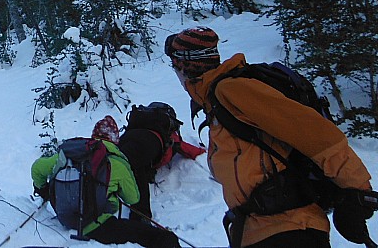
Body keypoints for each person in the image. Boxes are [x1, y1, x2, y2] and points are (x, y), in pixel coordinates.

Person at [165, 26, 374, 248]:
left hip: (289, 227)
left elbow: (317, 134)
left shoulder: (233, 90)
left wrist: (357, 194)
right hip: (259, 229)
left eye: (175, 65)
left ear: (186, 66)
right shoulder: (213, 101)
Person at [31, 116, 180, 248]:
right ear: (115, 139)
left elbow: (37, 169)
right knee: (165, 239)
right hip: (99, 226)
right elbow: (133, 198)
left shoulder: (73, 154)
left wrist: (44, 190)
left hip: (66, 218)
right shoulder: (117, 162)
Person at [117, 103, 206, 222]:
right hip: (149, 143)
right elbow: (190, 150)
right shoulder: (168, 135)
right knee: (137, 168)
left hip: (126, 138)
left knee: (119, 161)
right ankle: (141, 217)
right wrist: (204, 153)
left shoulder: (138, 124)